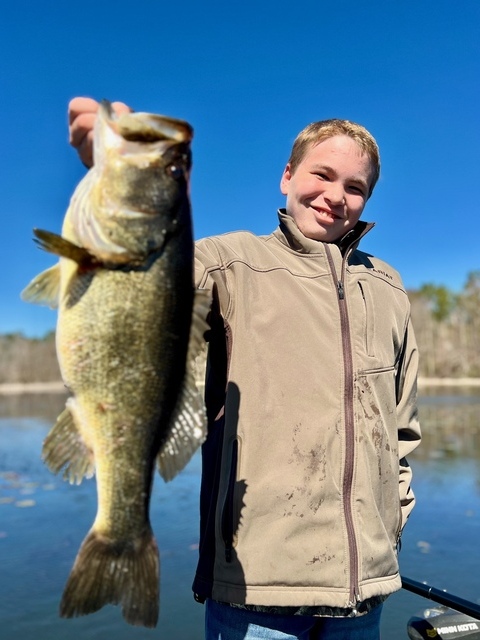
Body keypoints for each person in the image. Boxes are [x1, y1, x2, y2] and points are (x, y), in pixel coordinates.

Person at [68, 97, 421, 640]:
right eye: (321, 175)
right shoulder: (228, 263)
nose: (335, 196)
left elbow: (402, 428)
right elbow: (147, 284)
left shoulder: (388, 287)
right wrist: (129, 186)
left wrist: (392, 521)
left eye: (355, 187)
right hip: (257, 595)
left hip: (365, 591)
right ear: (286, 176)